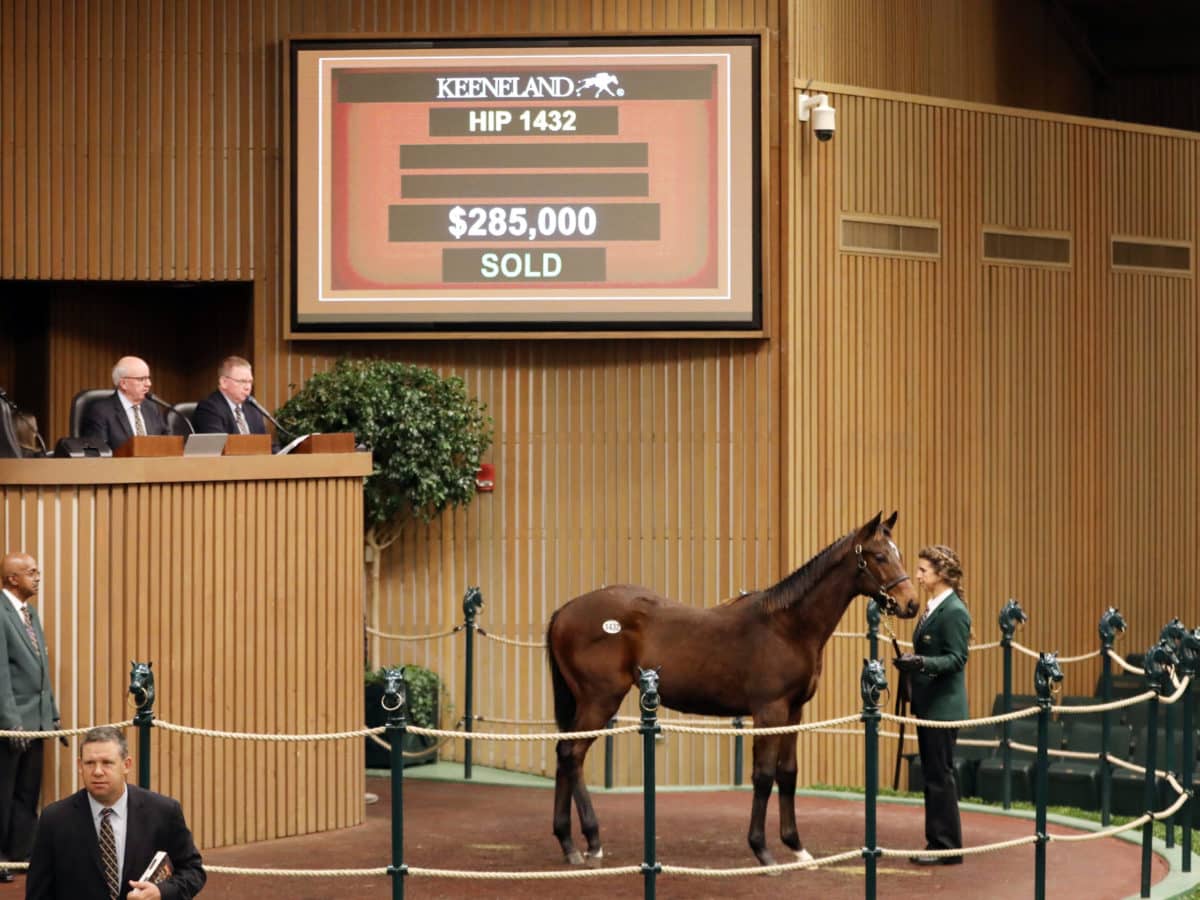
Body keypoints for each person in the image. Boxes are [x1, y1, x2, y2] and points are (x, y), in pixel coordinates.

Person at [26, 725, 206, 900]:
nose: (97, 772)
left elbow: (193, 871)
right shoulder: (55, 819)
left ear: (126, 765)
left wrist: (161, 893)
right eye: (90, 763)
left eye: (107, 763)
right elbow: (38, 892)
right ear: (80, 766)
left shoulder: (163, 812)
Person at [894, 544, 971, 866]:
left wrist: (921, 662)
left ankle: (946, 845)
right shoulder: (936, 606)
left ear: (940, 574)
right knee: (934, 775)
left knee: (939, 776)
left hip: (943, 708)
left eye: (924, 570)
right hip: (931, 705)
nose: (919, 575)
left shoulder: (953, 611)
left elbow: (957, 659)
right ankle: (938, 841)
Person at [0, 552, 59, 884]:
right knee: (3, 792)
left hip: (35, 723)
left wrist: (51, 714)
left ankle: (20, 853)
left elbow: (42, 670)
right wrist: (10, 721)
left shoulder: (29, 613)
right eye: (31, 572)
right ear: (12, 579)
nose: (38, 577)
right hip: (10, 726)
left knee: (27, 791)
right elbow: (1, 676)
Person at [80, 357, 168, 451]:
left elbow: (167, 442)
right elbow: (99, 453)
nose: (149, 384)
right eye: (142, 379)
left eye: (148, 378)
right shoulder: (100, 412)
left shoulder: (151, 408)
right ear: (123, 384)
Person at [192, 356, 268, 438]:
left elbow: (266, 444)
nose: (248, 387)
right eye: (242, 381)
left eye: (250, 382)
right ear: (224, 382)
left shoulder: (252, 408)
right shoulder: (209, 408)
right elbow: (220, 446)